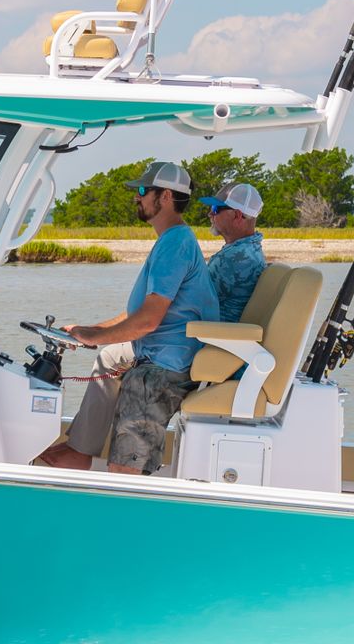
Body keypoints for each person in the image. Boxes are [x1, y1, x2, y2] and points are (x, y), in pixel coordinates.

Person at [33, 160, 218, 474]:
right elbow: (137, 313)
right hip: (158, 348)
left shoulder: (175, 245)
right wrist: (88, 330)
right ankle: (81, 449)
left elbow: (147, 322)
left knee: (124, 467)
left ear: (167, 198)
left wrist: (92, 336)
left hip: (166, 365)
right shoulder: (170, 241)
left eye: (144, 191)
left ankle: (126, 471)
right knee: (109, 356)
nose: (138, 197)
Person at [204, 182, 267, 323]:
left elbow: (192, 299)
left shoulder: (233, 258)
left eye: (216, 208)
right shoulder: (252, 249)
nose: (210, 214)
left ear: (237, 215)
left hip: (213, 336)